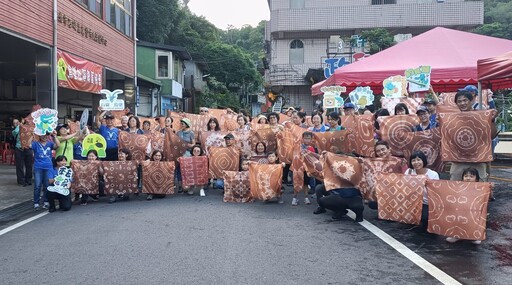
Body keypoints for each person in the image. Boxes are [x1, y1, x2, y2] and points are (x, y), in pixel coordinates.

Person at [449, 91, 496, 181]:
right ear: (456, 103)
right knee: (455, 186)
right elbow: (446, 137)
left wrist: (492, 121)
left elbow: (492, 135)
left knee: (480, 187)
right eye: (459, 101)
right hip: (458, 159)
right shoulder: (451, 119)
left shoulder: (481, 116)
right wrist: (442, 123)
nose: (462, 103)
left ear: (472, 101)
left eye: (465, 100)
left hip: (478, 158)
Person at [445, 167, 484, 245]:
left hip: (474, 212)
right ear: (462, 178)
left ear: (476, 179)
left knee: (474, 221)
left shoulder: (481, 188)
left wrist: (490, 188)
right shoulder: (458, 187)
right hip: (461, 211)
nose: (468, 178)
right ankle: (457, 235)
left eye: (471, 176)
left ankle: (474, 236)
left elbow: (488, 197)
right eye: (466, 176)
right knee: (457, 219)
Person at [404, 151, 439, 228]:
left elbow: (436, 192)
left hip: (426, 202)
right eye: (413, 160)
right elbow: (404, 187)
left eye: (419, 160)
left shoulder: (433, 174)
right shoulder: (409, 171)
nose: (416, 162)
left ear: (423, 160)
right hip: (411, 201)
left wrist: (427, 183)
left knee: (425, 218)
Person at [32, 132, 60, 210]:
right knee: (37, 186)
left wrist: (54, 136)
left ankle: (46, 201)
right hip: (38, 167)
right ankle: (36, 203)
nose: (44, 136)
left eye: (46, 135)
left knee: (47, 185)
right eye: (43, 135)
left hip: (48, 167)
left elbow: (58, 145)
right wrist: (32, 135)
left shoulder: (50, 143)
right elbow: (28, 145)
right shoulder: (35, 144)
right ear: (39, 135)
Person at [12, 118, 33, 187]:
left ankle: (28, 180)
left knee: (29, 165)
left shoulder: (32, 128)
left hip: (29, 149)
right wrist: (19, 125)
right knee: (19, 166)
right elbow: (14, 133)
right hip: (19, 148)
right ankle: (21, 181)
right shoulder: (18, 128)